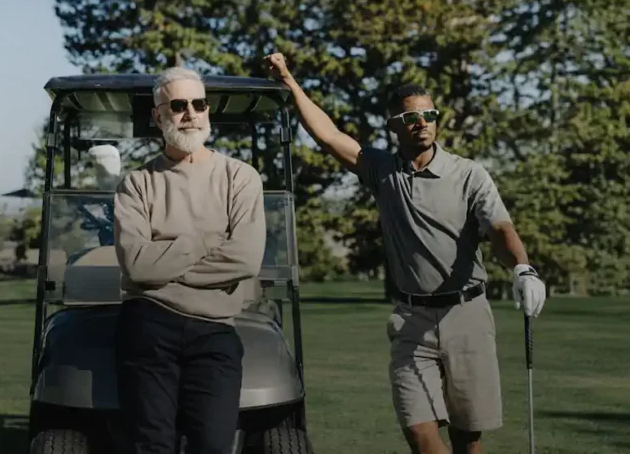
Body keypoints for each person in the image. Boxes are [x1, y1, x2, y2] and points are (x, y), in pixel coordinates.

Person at [263, 53, 547, 454]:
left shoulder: (469, 174)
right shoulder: (382, 170)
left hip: (466, 315)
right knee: (418, 430)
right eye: (411, 118)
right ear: (394, 125)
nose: (422, 123)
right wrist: (290, 81)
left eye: (429, 115)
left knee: (468, 438)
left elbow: (501, 229)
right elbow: (328, 136)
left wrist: (523, 268)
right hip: (410, 321)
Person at [112, 66, 267, 454]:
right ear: (157, 115)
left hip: (215, 328)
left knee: (213, 445)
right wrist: (205, 240)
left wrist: (165, 262)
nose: (190, 113)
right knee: (151, 445)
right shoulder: (137, 184)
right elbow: (136, 266)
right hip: (150, 324)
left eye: (198, 104)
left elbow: (246, 259)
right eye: (178, 105)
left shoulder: (240, 177)